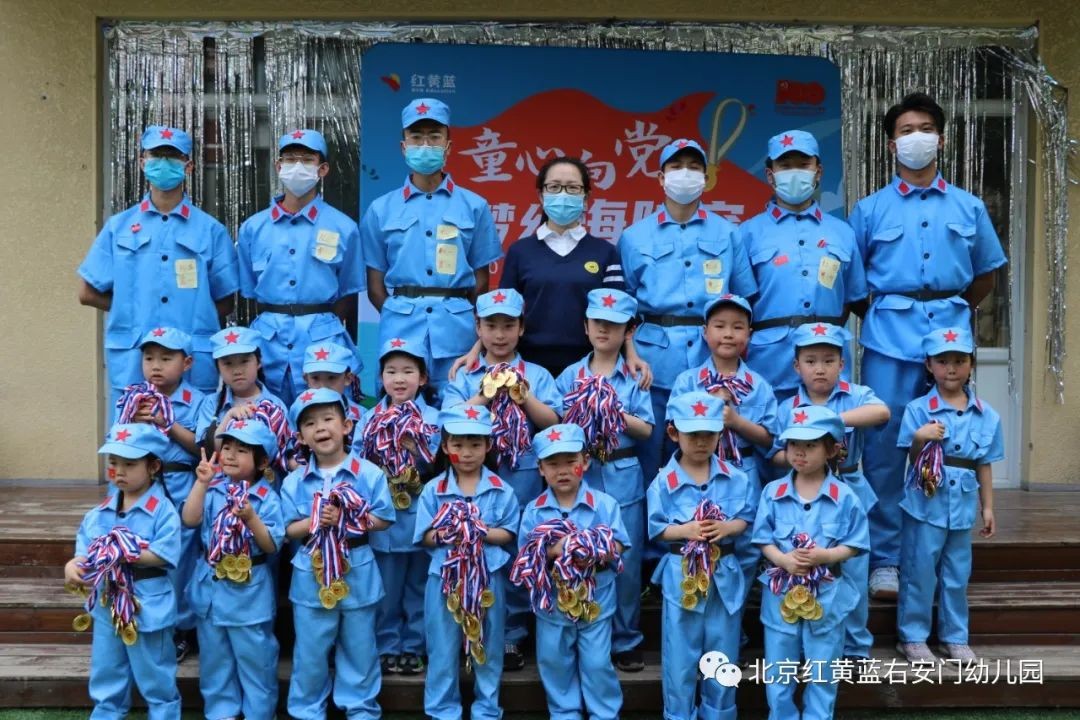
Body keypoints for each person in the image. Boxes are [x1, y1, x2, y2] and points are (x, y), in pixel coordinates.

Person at [848, 92, 1008, 599]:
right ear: (891, 143)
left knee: (951, 440)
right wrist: (887, 314)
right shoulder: (869, 208)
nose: (915, 137)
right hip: (889, 338)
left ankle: (941, 551)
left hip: (951, 335)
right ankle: (886, 559)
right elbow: (855, 285)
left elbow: (986, 274)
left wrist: (956, 309)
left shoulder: (969, 205)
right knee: (886, 444)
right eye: (905, 129)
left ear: (940, 137)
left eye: (925, 128)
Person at [618, 138, 757, 485]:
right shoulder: (634, 237)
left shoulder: (728, 232)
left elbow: (743, 297)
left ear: (706, 177)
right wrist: (631, 353)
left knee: (711, 447)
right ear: (661, 178)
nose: (685, 175)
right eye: (676, 167)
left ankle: (710, 531)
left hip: (712, 355)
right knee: (654, 450)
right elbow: (624, 307)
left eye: (694, 167)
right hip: (655, 358)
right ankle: (658, 532)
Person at [441, 287, 561, 668]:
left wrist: (522, 396)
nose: (499, 334)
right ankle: (467, 629)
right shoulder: (465, 373)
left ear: (522, 328)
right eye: (491, 325)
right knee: (470, 548)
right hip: (472, 473)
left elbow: (553, 424)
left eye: (508, 325)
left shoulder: (537, 375)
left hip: (521, 472)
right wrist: (487, 393)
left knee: (515, 551)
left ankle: (512, 634)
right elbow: (449, 420)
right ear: (477, 328)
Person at [78, 125, 239, 406]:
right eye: (156, 155)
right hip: (134, 357)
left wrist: (191, 315)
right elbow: (87, 292)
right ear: (142, 163)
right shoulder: (119, 227)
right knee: (132, 441)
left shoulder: (210, 230)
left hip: (191, 359)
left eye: (172, 157)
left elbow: (226, 300)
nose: (163, 163)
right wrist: (133, 307)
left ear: (188, 166)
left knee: (191, 441)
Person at [361, 98, 502, 398]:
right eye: (416, 137)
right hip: (400, 327)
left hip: (456, 328)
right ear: (403, 146)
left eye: (434, 137)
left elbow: (481, 281)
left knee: (459, 410)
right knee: (398, 417)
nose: (425, 144)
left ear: (448, 146)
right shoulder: (380, 209)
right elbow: (375, 286)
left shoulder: (474, 206)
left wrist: (463, 315)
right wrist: (396, 312)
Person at [453, 156, 637, 379]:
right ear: (541, 195)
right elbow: (501, 312)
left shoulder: (605, 252)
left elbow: (618, 315)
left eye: (572, 188)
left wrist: (632, 355)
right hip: (529, 368)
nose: (563, 194)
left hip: (589, 368)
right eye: (554, 187)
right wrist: (476, 351)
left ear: (586, 197)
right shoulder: (520, 251)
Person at [770, 322, 890, 660]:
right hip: (803, 496)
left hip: (848, 487)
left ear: (842, 364)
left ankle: (856, 648)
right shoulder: (788, 406)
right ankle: (814, 643)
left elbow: (882, 412)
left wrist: (827, 419)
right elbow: (775, 455)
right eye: (810, 361)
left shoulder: (855, 395)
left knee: (851, 571)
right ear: (797, 366)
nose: (819, 368)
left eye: (828, 360)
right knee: (813, 569)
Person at [554, 288, 654, 672]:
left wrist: (611, 409)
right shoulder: (570, 375)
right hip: (579, 477)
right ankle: (579, 628)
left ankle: (625, 638)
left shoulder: (634, 377)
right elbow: (557, 423)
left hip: (622, 472)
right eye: (598, 323)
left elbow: (646, 430)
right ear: (586, 326)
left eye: (613, 325)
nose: (604, 331)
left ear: (627, 331)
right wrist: (582, 405)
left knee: (623, 562)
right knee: (578, 555)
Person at [280, 388, 395, 720]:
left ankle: (360, 709)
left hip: (356, 567)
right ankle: (307, 710)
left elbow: (385, 518)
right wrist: (316, 520)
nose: (321, 428)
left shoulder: (368, 473)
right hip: (311, 573)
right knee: (311, 650)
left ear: (347, 425)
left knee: (360, 648)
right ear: (300, 436)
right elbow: (288, 529)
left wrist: (349, 518)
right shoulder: (293, 482)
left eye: (329, 419)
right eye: (310, 423)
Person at [752, 405, 869, 720]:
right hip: (780, 595)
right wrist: (783, 560)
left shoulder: (845, 497)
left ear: (832, 448)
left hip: (827, 597)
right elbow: (762, 539)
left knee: (823, 671)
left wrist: (827, 556)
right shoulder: (772, 493)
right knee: (779, 671)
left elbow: (856, 544)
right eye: (793, 444)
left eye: (810, 445)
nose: (799, 453)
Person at [646, 392, 756, 720]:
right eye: (692, 434)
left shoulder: (737, 477)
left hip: (724, 575)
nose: (701, 441)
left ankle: (719, 714)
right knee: (680, 657)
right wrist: (685, 531)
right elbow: (657, 529)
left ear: (720, 434)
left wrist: (728, 527)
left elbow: (747, 517)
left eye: (708, 434)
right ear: (673, 433)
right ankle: (678, 714)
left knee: (723, 654)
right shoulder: (663, 482)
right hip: (682, 577)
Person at [896, 327, 1001, 663]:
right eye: (942, 361)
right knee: (919, 571)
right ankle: (912, 637)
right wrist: (920, 437)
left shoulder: (988, 416)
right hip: (926, 504)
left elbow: (983, 464)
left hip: (963, 507)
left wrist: (988, 508)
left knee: (957, 575)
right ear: (929, 365)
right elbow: (911, 460)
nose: (951, 368)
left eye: (959, 360)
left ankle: (955, 637)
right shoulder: (917, 410)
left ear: (971, 364)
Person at [238, 128, 363, 405]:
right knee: (267, 418)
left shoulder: (344, 228)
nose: (297, 166)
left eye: (307, 160)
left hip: (322, 342)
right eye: (290, 159)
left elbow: (348, 294)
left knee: (323, 417)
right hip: (268, 341)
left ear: (323, 169)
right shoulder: (252, 228)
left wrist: (317, 317)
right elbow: (248, 288)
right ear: (278, 166)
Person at [514, 423, 630, 720]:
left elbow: (620, 545)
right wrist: (555, 550)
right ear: (540, 469)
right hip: (553, 605)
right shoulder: (534, 510)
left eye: (571, 462)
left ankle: (604, 714)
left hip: (596, 602)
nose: (562, 470)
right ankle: (565, 713)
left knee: (597, 663)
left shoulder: (604, 504)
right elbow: (526, 556)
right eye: (553, 464)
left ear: (586, 463)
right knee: (554, 661)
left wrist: (590, 546)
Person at [739, 130, 867, 399]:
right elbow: (740, 304)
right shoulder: (747, 234)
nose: (794, 172)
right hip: (768, 361)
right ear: (770, 175)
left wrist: (821, 327)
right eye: (785, 166)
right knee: (767, 436)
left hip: (827, 360)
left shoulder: (842, 232)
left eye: (803, 165)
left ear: (818, 172)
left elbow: (851, 298)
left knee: (829, 436)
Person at [65, 423, 181, 719]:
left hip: (147, 604)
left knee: (156, 677)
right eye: (114, 463)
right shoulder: (99, 512)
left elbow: (164, 554)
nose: (119, 471)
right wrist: (73, 566)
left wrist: (123, 553)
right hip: (107, 605)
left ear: (153, 466)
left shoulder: (163, 510)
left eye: (129, 464)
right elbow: (83, 552)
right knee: (106, 673)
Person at [413, 403, 520, 720]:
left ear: (488, 446)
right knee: (442, 645)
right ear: (445, 447)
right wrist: (451, 531)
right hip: (445, 578)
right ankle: (442, 708)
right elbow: (425, 537)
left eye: (475, 444)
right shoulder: (434, 490)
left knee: (489, 640)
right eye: (458, 444)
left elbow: (509, 534)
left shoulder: (502, 490)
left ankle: (487, 707)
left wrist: (479, 530)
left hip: (488, 577)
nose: (467, 452)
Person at [182, 419, 285, 720]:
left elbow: (271, 545)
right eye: (226, 446)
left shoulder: (267, 498)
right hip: (211, 587)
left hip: (248, 592)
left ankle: (259, 713)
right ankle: (221, 711)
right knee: (215, 658)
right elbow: (189, 519)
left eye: (241, 450)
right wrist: (201, 484)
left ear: (262, 461)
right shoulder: (212, 489)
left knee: (256, 658)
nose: (229, 454)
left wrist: (251, 517)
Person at [118, 326, 206, 661]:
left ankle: (182, 627)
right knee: (142, 550)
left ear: (186, 364)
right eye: (149, 357)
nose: (155, 365)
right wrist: (134, 420)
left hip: (182, 485)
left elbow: (203, 447)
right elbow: (119, 443)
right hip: (144, 489)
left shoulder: (197, 400)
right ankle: (140, 618)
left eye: (166, 358)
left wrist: (163, 422)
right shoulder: (132, 398)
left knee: (181, 559)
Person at [359, 337, 441, 676]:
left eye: (409, 370)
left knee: (419, 587)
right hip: (386, 519)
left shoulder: (435, 418)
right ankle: (388, 645)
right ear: (381, 379)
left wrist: (417, 448)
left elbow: (440, 465)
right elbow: (357, 467)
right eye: (391, 371)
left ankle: (415, 645)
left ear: (423, 378)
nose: (399, 378)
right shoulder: (367, 419)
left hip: (422, 514)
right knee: (387, 589)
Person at [195, 326, 290, 453]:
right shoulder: (211, 404)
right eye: (228, 363)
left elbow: (285, 450)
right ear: (218, 368)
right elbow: (208, 450)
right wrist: (229, 417)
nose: (237, 371)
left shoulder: (275, 405)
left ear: (259, 362)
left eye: (244, 361)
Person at [301, 341, 365, 424]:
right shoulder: (299, 412)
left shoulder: (361, 416)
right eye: (315, 378)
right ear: (306, 379)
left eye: (331, 378)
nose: (323, 387)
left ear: (348, 378)